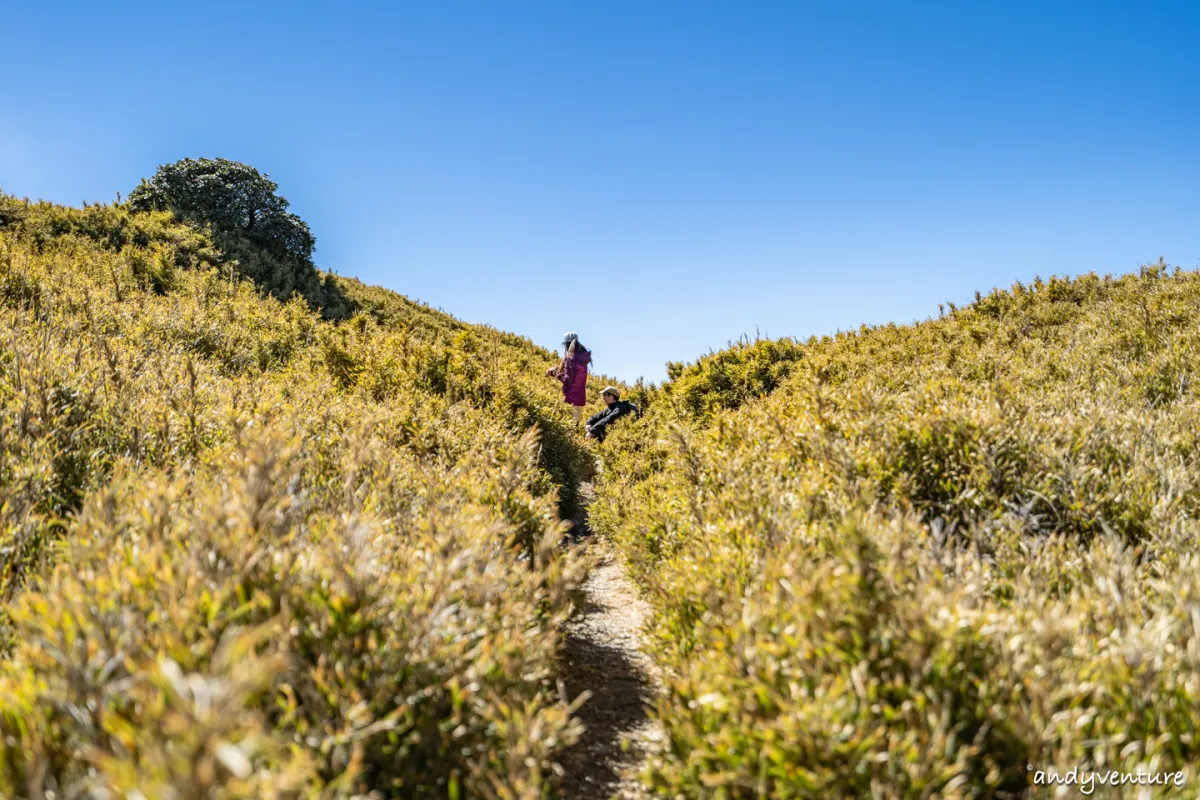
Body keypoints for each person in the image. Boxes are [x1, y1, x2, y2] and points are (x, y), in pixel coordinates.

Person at [546, 332, 591, 423]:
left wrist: (557, 375)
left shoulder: (571, 359)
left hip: (570, 398)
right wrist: (553, 370)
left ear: (566, 344)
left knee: (567, 425)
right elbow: (569, 371)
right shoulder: (581, 359)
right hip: (580, 398)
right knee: (575, 425)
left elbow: (568, 379)